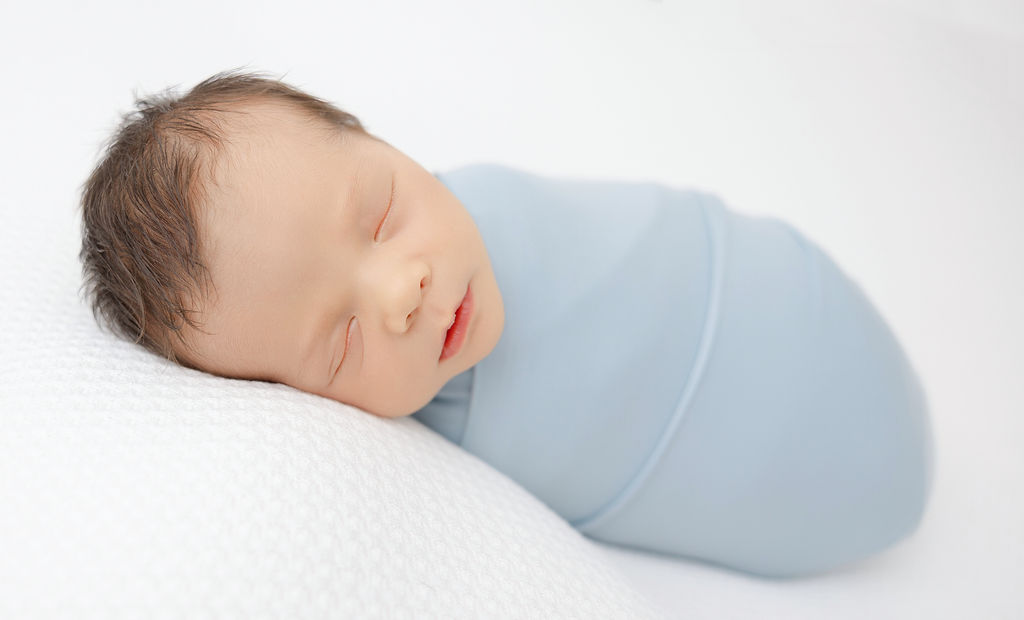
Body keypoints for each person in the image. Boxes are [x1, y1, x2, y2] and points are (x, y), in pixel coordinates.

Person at [80, 70, 932, 577]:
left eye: (379, 214)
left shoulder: (487, 198)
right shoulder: (431, 464)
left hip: (779, 292)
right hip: (798, 490)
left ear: (377, 139)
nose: (399, 292)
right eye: (341, 342)